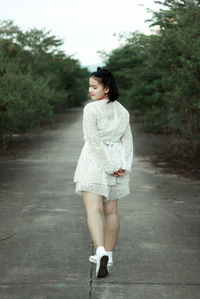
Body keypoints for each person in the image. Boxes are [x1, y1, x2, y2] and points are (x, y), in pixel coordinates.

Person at [73, 67, 134, 278]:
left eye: (94, 86)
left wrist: (108, 166)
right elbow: (127, 142)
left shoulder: (91, 109)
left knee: (93, 210)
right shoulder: (123, 111)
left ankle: (99, 251)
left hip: (95, 162)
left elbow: (94, 141)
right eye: (90, 86)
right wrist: (122, 166)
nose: (90, 90)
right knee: (112, 212)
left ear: (106, 89)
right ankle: (109, 253)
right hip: (117, 164)